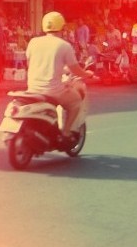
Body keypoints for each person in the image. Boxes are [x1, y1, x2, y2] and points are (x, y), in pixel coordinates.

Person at [26, 11, 93, 146]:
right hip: (53, 91)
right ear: (62, 28)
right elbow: (75, 69)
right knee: (76, 103)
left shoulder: (33, 42)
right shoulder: (64, 45)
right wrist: (87, 74)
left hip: (32, 89)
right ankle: (66, 132)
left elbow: (30, 62)